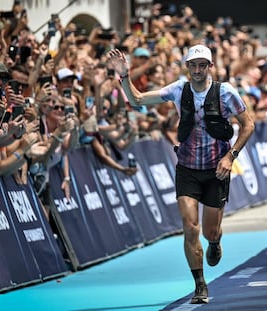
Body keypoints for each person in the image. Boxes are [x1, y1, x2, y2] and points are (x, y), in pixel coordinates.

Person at [107, 44, 254, 304]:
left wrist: (230, 157)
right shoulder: (178, 89)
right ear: (187, 67)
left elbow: (248, 125)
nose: (197, 70)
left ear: (210, 66)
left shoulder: (226, 92)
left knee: (210, 231)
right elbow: (137, 99)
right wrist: (124, 76)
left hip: (216, 171)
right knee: (190, 227)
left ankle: (215, 241)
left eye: (202, 65)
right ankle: (200, 284)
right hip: (187, 169)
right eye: (193, 65)